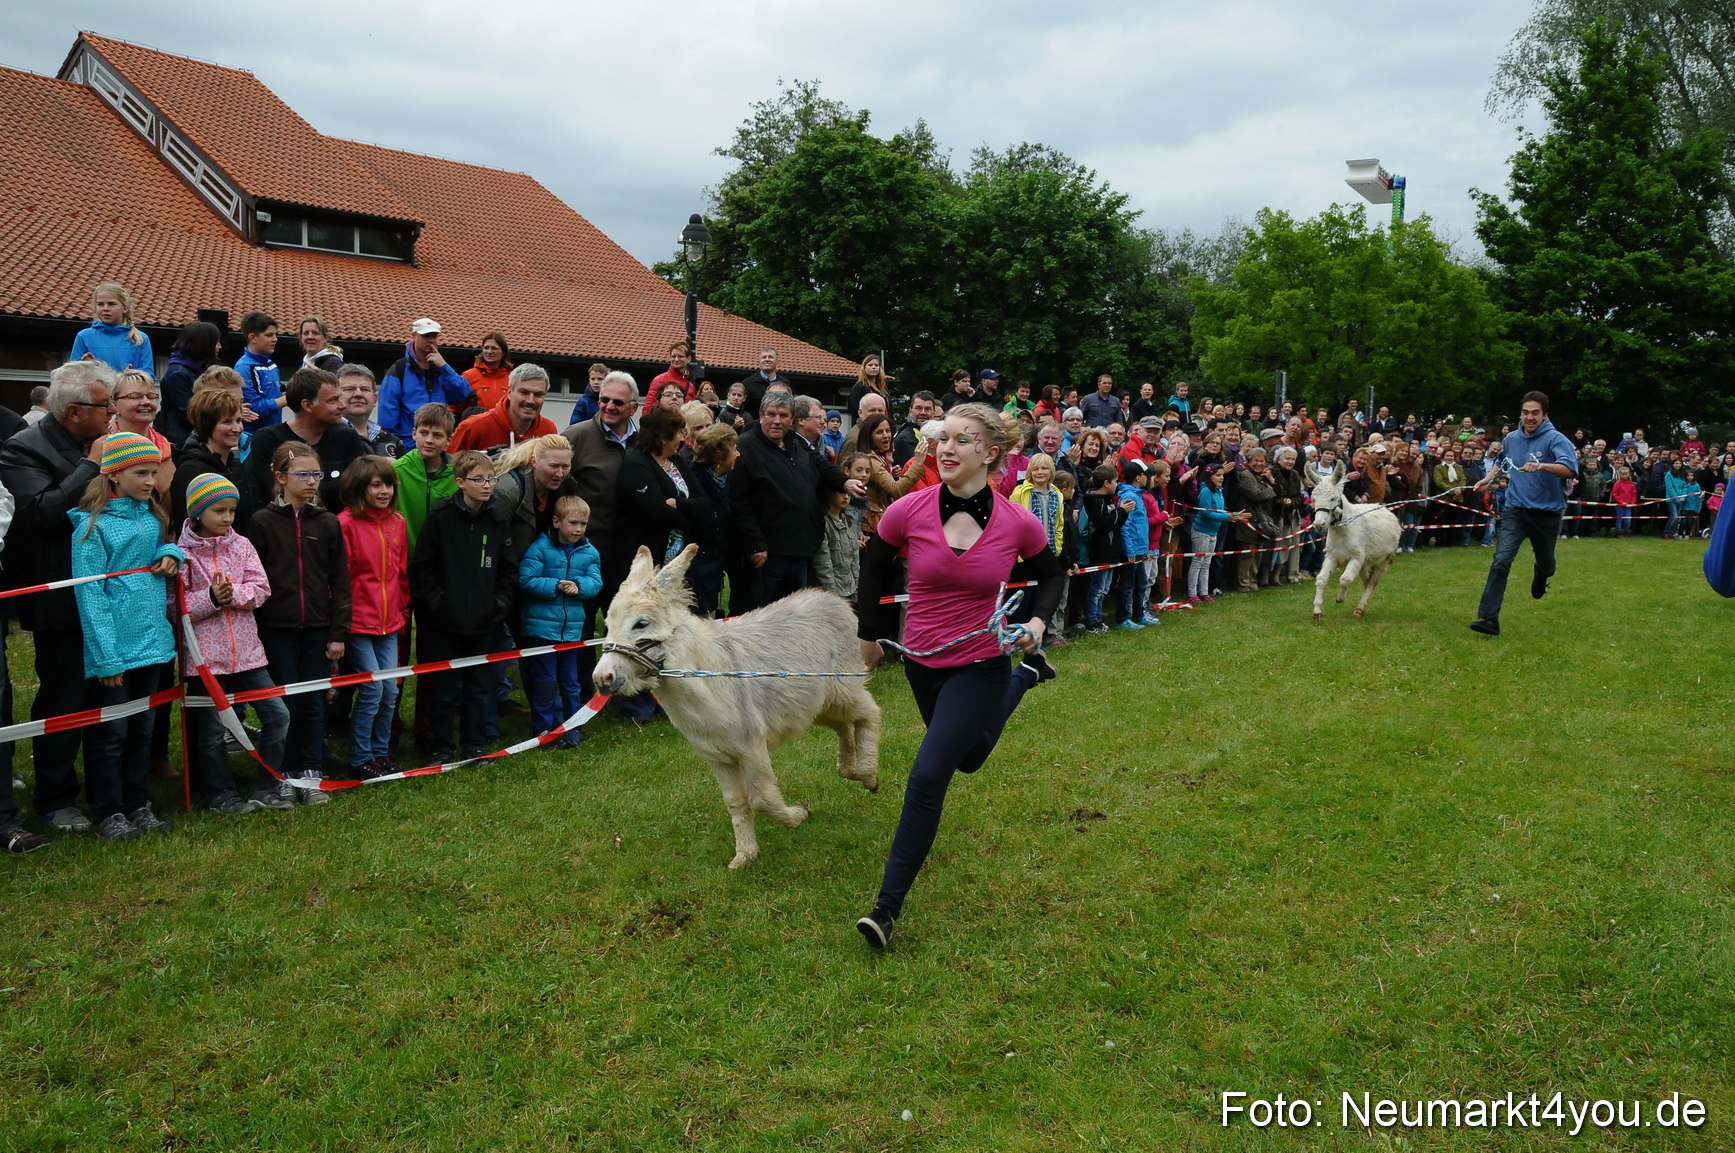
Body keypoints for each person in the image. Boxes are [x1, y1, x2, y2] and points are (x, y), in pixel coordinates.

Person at [852, 403, 1065, 948]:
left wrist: (1038, 621)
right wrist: (870, 634)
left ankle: (886, 909)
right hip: (923, 664)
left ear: (989, 453)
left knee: (928, 778)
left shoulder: (1018, 521)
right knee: (968, 758)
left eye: (961, 440)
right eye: (942, 438)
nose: (946, 448)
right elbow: (875, 564)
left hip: (980, 663)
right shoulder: (910, 509)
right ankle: (1028, 678)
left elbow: (1050, 574)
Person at [0, 360, 114, 834]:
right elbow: (43, 512)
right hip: (58, 596)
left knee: (108, 693)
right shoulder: (21, 449)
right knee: (64, 694)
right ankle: (55, 796)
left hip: (108, 591)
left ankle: (109, 791)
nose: (112, 412)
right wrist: (92, 464)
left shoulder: (102, 438)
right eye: (104, 405)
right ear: (73, 411)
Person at [65, 432, 182, 841]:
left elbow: (164, 550)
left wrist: (172, 554)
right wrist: (106, 657)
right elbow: (90, 595)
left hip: (153, 644)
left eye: (154, 472)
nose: (151, 480)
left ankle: (139, 803)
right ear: (113, 475)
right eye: (141, 472)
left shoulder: (151, 518)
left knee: (142, 729)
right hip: (116, 648)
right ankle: (108, 809)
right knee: (110, 733)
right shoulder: (91, 527)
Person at [176, 473, 290, 814]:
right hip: (204, 659)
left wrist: (231, 596)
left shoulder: (241, 545)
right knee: (211, 731)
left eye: (232, 511)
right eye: (219, 511)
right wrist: (209, 598)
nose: (227, 518)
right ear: (196, 513)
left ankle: (268, 785)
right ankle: (221, 794)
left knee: (278, 715)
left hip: (248, 653)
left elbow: (260, 588)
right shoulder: (180, 555)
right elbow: (175, 607)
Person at [247, 441, 349, 803]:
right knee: (284, 702)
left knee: (313, 700)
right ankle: (284, 773)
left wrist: (338, 633)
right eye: (302, 474)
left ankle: (311, 768)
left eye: (316, 474)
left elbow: (340, 581)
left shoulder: (327, 522)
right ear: (280, 477)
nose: (311, 482)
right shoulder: (261, 523)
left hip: (318, 627)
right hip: (277, 629)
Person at [409, 450, 519, 760]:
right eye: (479, 479)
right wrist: (437, 603)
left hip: (484, 620)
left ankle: (474, 745)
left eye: (491, 479)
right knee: (444, 690)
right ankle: (441, 746)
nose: (487, 485)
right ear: (460, 482)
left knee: (478, 687)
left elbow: (507, 569)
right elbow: (423, 567)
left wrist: (499, 603)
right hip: (446, 621)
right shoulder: (441, 516)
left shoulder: (496, 518)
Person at [730, 389, 860, 607]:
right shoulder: (746, 447)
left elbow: (820, 464)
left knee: (795, 619)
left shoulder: (794, 444)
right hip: (768, 555)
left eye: (783, 415)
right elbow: (739, 502)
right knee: (763, 618)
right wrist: (754, 545)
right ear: (761, 415)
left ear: (792, 419)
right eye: (771, 414)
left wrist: (844, 482)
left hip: (800, 551)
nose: (777, 421)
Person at [1469, 391, 1578, 636]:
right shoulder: (1512, 438)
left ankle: (1542, 575)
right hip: (1516, 510)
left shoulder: (1556, 439)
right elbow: (1504, 461)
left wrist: (1542, 466)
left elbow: (1569, 469)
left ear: (1544, 415)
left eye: (1535, 413)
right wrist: (1488, 478)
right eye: (1526, 412)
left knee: (1547, 563)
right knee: (1501, 560)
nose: (1529, 417)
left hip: (1547, 514)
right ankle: (1489, 618)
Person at [337, 457, 410, 780]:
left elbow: (401, 573)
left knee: (391, 690)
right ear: (359, 487)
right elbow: (341, 579)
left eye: (388, 484)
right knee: (371, 690)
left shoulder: (398, 523)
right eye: (376, 485)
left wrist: (402, 609)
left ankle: (381, 753)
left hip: (390, 620)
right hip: (358, 623)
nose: (384, 491)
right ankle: (360, 757)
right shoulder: (345, 524)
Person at [517, 495, 602, 746]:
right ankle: (544, 730)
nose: (578, 529)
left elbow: (595, 582)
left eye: (583, 524)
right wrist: (555, 585)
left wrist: (579, 586)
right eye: (573, 523)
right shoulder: (540, 547)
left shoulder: (589, 552)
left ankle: (572, 727)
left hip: (572, 631)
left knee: (571, 682)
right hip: (541, 630)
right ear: (556, 522)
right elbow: (525, 580)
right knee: (544, 683)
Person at [247, 368, 370, 511]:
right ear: (307, 405)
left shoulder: (347, 437)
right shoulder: (268, 440)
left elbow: (358, 490)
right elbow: (276, 496)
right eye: (333, 400)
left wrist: (298, 485)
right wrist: (337, 485)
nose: (342, 405)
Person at [617, 405, 711, 567]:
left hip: (678, 561)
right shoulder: (636, 465)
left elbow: (703, 501)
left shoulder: (676, 460)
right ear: (662, 437)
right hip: (647, 560)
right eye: (679, 433)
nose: (682, 439)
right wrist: (692, 520)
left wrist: (679, 503)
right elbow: (658, 512)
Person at [378, 318, 471, 439]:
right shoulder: (399, 369)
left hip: (437, 442)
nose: (431, 340)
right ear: (414, 336)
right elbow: (387, 414)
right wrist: (393, 444)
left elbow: (461, 394)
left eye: (434, 336)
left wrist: (445, 367)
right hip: (408, 443)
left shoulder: (441, 368)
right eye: (426, 336)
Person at [686, 422, 738, 617]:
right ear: (718, 453)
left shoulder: (726, 478)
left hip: (715, 564)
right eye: (733, 448)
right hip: (697, 565)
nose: (738, 454)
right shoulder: (693, 478)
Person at [449, 363, 558, 455]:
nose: (530, 400)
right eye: (524, 393)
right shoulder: (474, 427)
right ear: (509, 393)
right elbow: (446, 470)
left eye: (538, 394)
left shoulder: (548, 431)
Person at [395, 403, 457, 556]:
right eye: (424, 433)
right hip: (404, 560)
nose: (429, 440)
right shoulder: (396, 471)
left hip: (444, 562)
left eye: (437, 435)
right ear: (414, 433)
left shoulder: (458, 474)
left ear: (449, 440)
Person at [111, 368, 174, 496]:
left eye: (151, 397)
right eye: (135, 397)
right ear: (114, 405)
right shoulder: (102, 446)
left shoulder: (166, 447)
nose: (146, 402)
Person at [157, 320, 221, 446]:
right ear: (203, 344)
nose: (219, 346)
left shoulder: (203, 369)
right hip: (180, 441)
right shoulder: (178, 374)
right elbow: (187, 414)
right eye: (216, 342)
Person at [70, 281, 153, 374]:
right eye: (100, 304)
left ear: (125, 308)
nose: (105, 308)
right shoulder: (84, 337)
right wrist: (89, 370)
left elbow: (148, 376)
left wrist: (129, 378)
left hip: (128, 388)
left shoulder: (140, 339)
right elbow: (72, 376)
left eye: (111, 304)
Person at [335, 364, 402, 457]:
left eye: (364, 389)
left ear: (375, 399)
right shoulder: (325, 437)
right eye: (349, 389)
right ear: (335, 397)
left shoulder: (392, 441)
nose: (358, 394)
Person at [1187, 464, 1231, 605]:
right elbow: (1206, 513)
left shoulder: (1219, 491)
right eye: (1218, 475)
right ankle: (1192, 593)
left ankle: (1204, 592)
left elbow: (1220, 511)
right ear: (1210, 476)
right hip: (1202, 531)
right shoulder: (1206, 491)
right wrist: (1227, 517)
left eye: (1222, 475)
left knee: (1207, 563)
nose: (1221, 478)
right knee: (1197, 562)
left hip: (1213, 531)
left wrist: (1234, 515)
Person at [234, 311, 283, 426]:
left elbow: (278, 394)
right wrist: (287, 399)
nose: (275, 339)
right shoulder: (244, 368)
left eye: (275, 335)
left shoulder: (271, 364)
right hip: (254, 436)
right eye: (269, 335)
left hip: (273, 431)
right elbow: (252, 409)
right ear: (253, 338)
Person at [462, 332, 513, 413]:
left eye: (494, 348)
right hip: (476, 423)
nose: (489, 351)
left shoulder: (512, 378)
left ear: (503, 353)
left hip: (503, 424)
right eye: (486, 348)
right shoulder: (469, 376)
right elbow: (457, 406)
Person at [736, 347, 793, 418]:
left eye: (770, 357)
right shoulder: (748, 383)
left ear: (777, 361)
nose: (767, 359)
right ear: (759, 361)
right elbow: (742, 409)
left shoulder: (785, 383)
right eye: (764, 357)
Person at [647, 340, 693, 409]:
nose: (676, 359)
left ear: (688, 359)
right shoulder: (659, 380)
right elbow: (648, 408)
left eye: (680, 356)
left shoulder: (690, 386)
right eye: (673, 356)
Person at [847, 353, 891, 418]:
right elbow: (855, 410)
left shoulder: (883, 389)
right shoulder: (859, 387)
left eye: (876, 365)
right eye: (870, 365)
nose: (874, 367)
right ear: (864, 368)